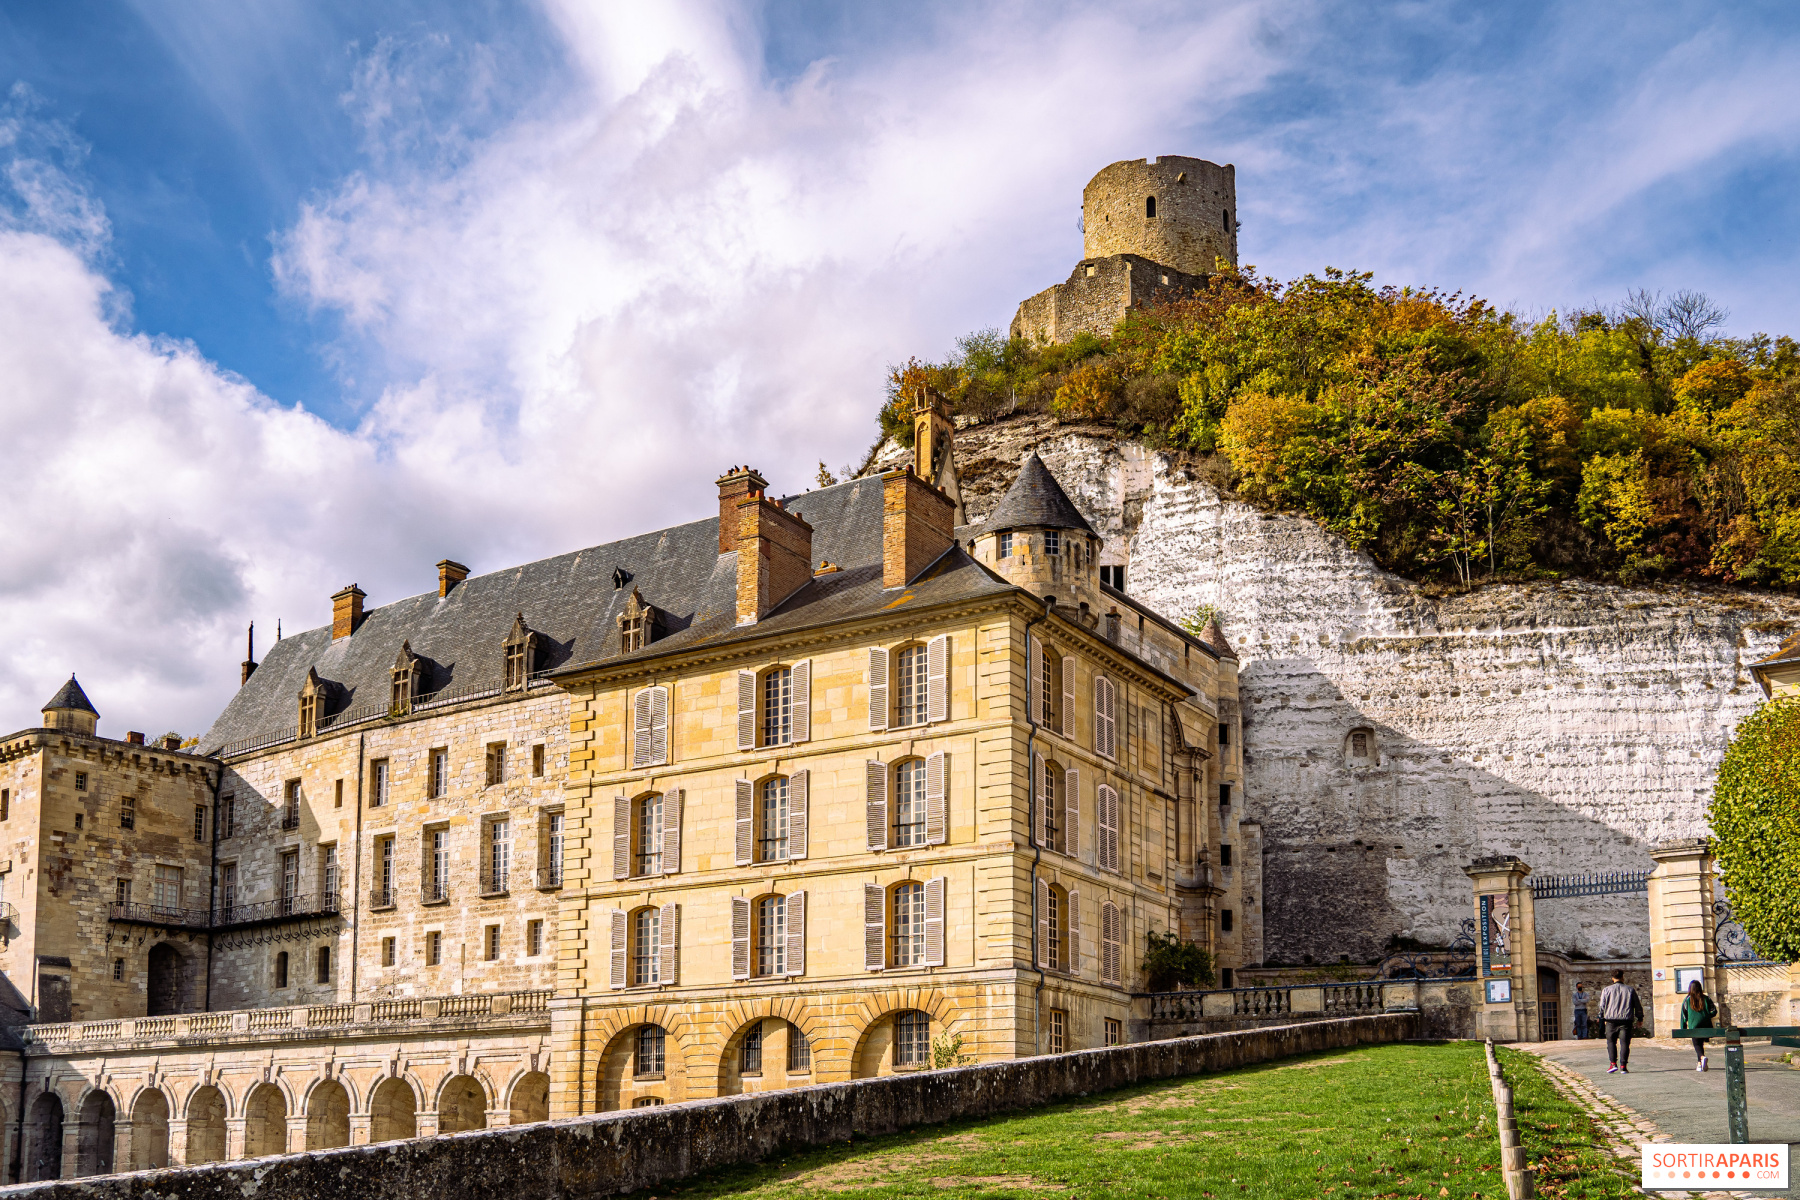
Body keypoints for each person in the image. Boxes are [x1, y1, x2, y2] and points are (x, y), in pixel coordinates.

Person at [1598, 970, 1644, 1073]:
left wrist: (1601, 1017)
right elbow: (1637, 1005)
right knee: (1625, 1043)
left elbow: (1602, 1006)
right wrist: (1639, 1018)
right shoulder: (1630, 990)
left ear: (1612, 978)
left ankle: (1613, 1064)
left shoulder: (1606, 990)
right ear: (1623, 977)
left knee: (1611, 1042)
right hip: (1626, 1020)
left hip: (1611, 1020)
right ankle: (1623, 1066)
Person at [1678, 979, 1718, 1072]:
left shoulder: (1687, 999)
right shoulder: (1706, 998)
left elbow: (1684, 1015)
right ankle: (1699, 1063)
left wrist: (1683, 1028)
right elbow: (1714, 1011)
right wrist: (1707, 1016)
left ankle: (1702, 1057)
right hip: (1706, 1025)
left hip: (1694, 1025)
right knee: (1700, 1044)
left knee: (1696, 1044)